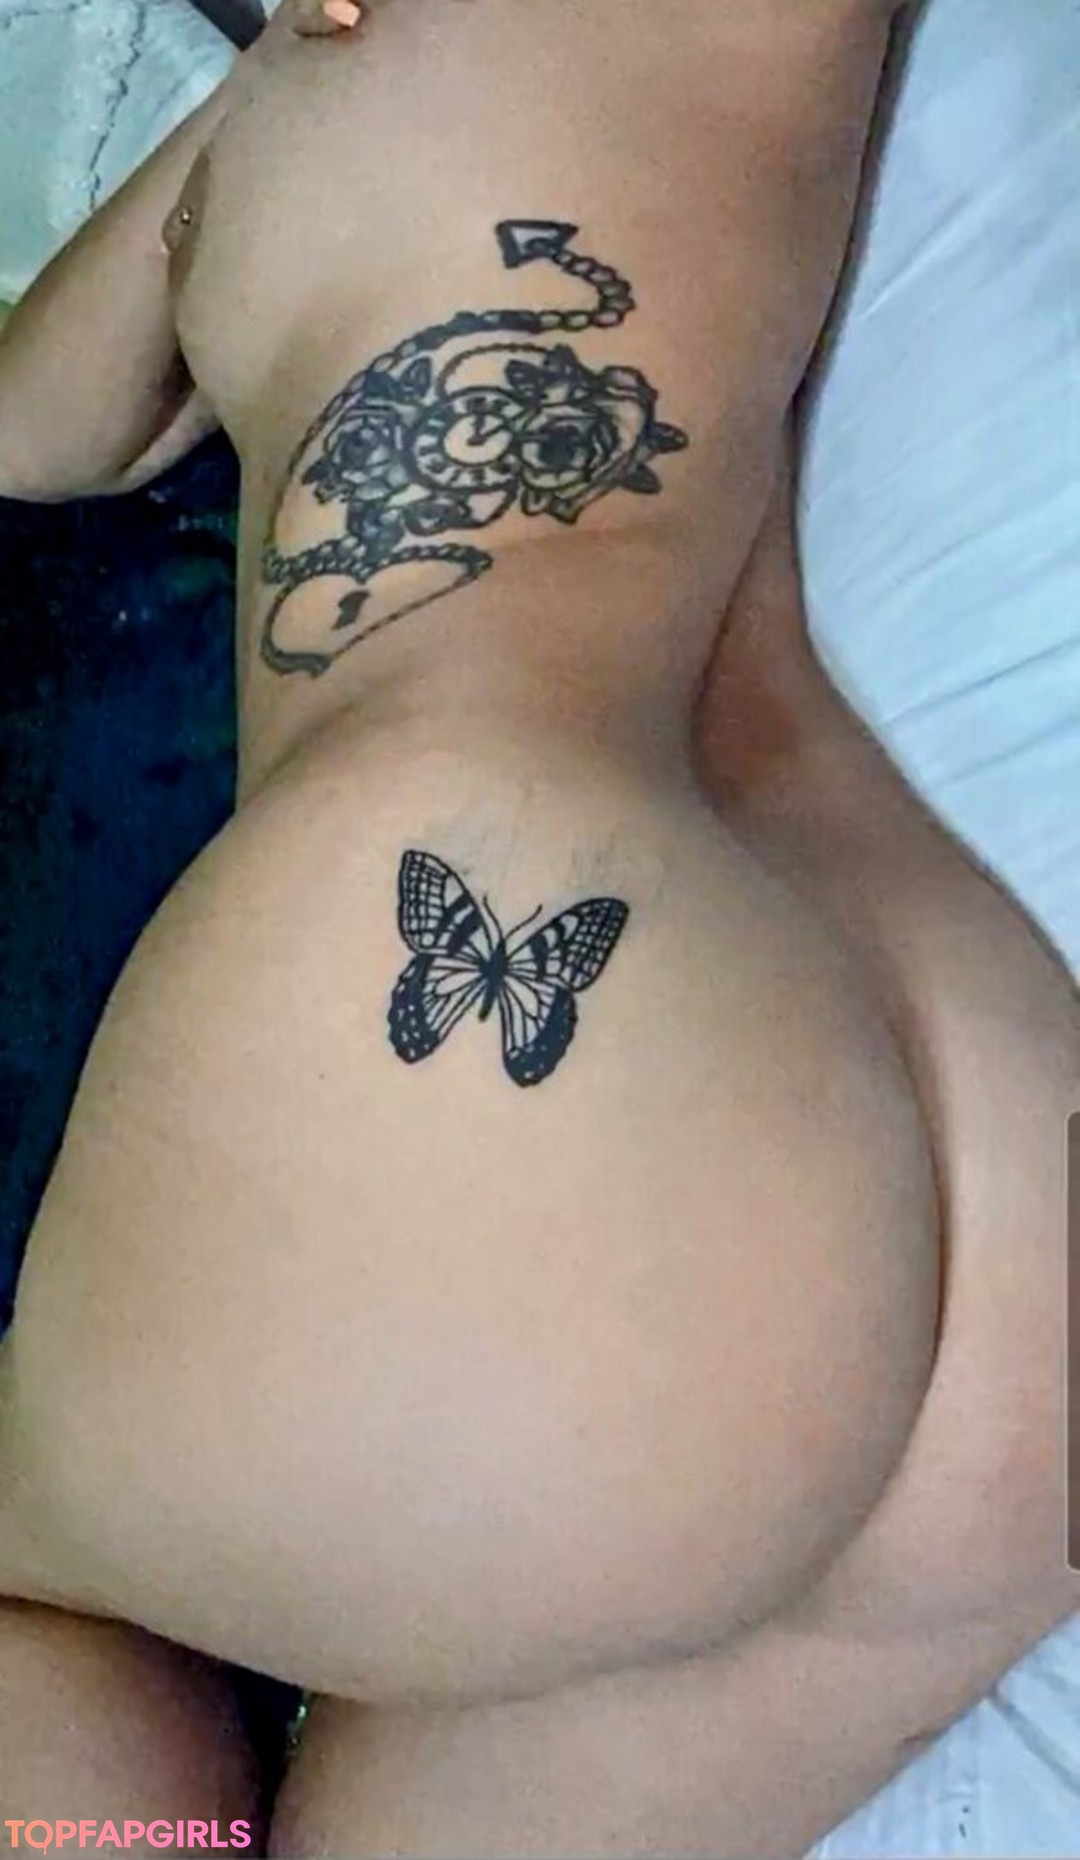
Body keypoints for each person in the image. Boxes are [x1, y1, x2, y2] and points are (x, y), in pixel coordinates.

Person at [0, 0, 1075, 1851]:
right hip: (984, 1183)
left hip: (514, 1106)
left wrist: (261, 134)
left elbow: (38, 426)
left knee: (34, 1630)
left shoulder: (342, 101)